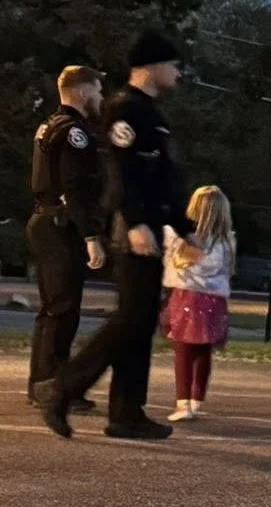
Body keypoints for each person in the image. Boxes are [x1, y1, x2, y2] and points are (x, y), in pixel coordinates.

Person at [41, 30, 188, 442]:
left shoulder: (152, 115)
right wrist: (137, 222)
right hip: (133, 231)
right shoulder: (125, 109)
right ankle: (60, 388)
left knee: (139, 324)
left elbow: (165, 181)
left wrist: (183, 229)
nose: (178, 72)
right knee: (129, 321)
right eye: (173, 64)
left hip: (151, 229)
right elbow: (123, 173)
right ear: (151, 66)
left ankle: (126, 413)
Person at [26, 63, 106, 409]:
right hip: (61, 225)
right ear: (84, 90)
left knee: (51, 310)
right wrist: (90, 235)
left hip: (44, 220)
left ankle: (41, 382)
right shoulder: (75, 132)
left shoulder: (48, 125)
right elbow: (73, 187)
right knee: (62, 310)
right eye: (98, 91)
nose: (101, 97)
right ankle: (52, 388)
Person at [161, 185, 235, 422]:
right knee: (203, 350)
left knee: (183, 350)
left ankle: (183, 402)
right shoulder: (226, 242)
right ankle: (196, 399)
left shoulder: (180, 239)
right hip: (215, 300)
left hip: (186, 296)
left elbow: (174, 261)